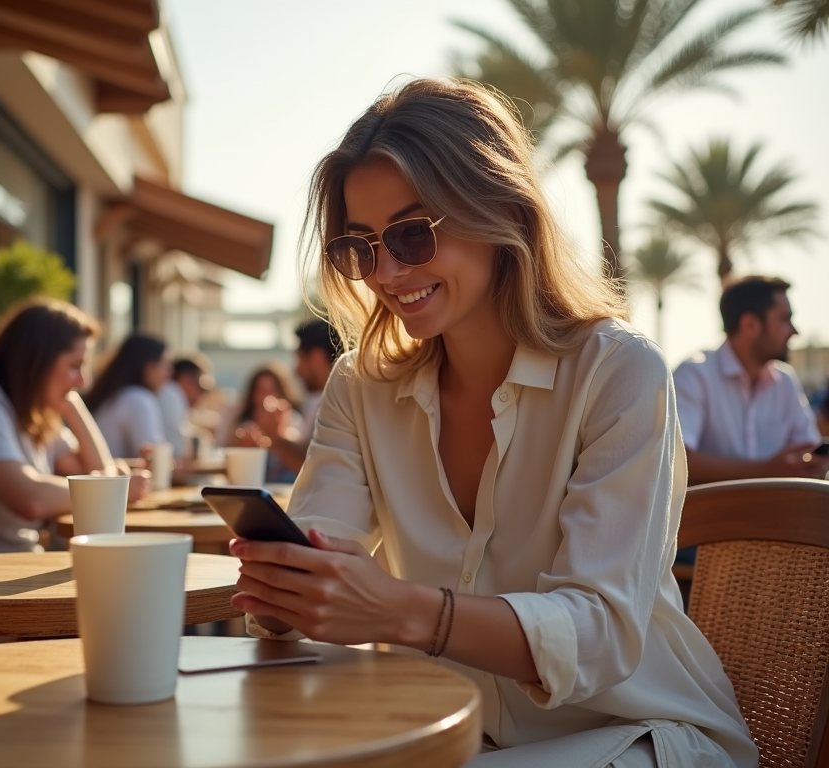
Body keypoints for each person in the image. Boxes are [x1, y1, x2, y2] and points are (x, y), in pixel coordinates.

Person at [229, 78, 756, 767]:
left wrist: (400, 610)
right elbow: (321, 549)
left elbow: (598, 632)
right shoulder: (361, 386)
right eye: (361, 247)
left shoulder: (619, 373)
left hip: (637, 735)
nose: (386, 273)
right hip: (450, 736)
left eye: (413, 235)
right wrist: (287, 591)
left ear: (499, 208)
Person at [0, 299, 149, 555]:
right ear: (36, 361)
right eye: (75, 366)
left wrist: (74, 406)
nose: (83, 381)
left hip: (11, 559)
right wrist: (116, 490)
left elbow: (92, 469)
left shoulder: (33, 414)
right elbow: (31, 499)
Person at [673, 276, 828, 484]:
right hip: (713, 516)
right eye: (784, 319)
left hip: (781, 514)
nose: (794, 331)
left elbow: (808, 449)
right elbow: (677, 463)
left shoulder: (785, 381)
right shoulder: (694, 375)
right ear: (750, 325)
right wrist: (767, 471)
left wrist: (815, 463)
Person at [252, 319, 341, 474]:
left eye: (299, 359)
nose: (297, 371)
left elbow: (315, 464)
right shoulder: (317, 400)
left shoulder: (341, 401)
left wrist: (275, 435)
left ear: (316, 358)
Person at [85, 333, 172, 459]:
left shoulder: (118, 395)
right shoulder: (137, 399)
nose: (169, 372)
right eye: (164, 364)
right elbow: (157, 460)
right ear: (147, 366)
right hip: (117, 476)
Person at [221, 362, 303, 483]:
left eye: (273, 390)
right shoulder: (243, 424)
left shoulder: (294, 420)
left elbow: (302, 458)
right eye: (262, 390)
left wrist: (276, 435)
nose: (267, 397)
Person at [158, 354, 213, 458]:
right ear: (185, 379)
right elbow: (179, 452)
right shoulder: (172, 393)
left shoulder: (167, 392)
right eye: (201, 387)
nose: (203, 395)